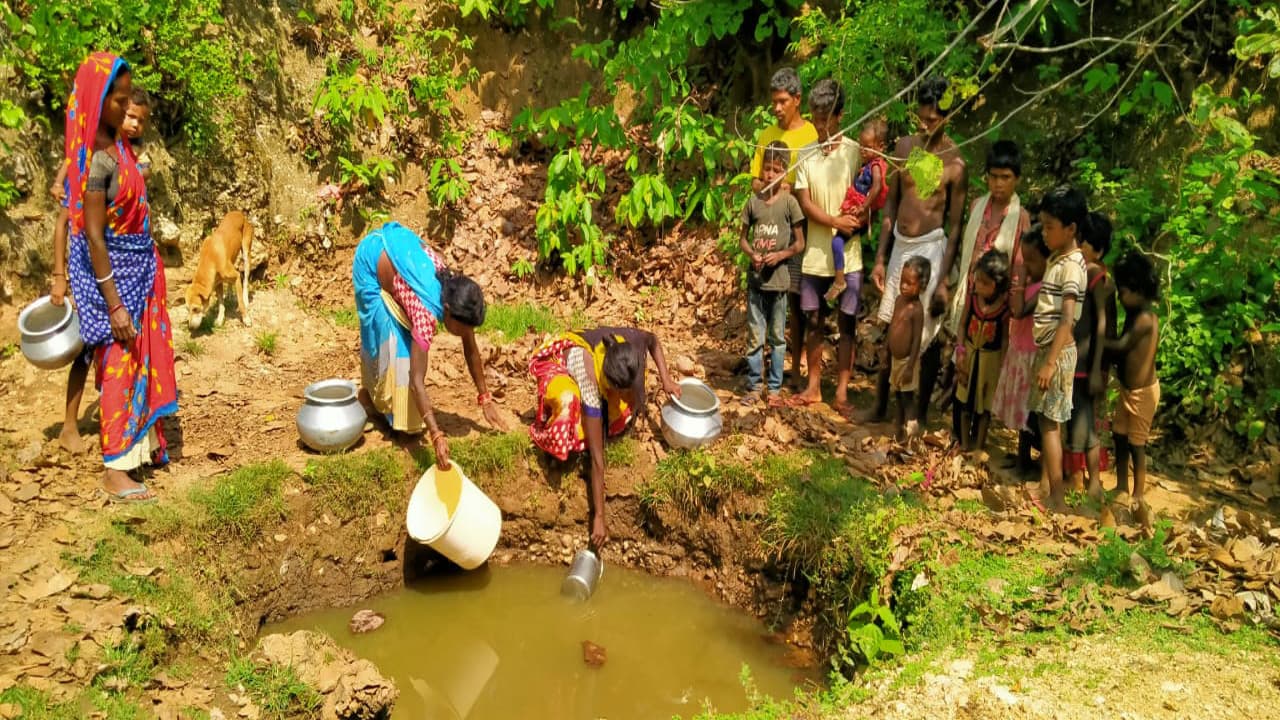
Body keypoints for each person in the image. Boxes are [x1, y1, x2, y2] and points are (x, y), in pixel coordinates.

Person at [63, 52, 178, 502]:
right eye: (121, 99)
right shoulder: (99, 163)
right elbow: (94, 236)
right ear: (101, 100)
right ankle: (114, 468)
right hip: (114, 279)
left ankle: (137, 449)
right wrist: (114, 303)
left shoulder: (121, 151)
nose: (128, 109)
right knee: (116, 367)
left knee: (133, 365)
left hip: (137, 271)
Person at [351, 221, 508, 467]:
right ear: (447, 311)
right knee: (390, 347)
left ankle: (384, 406)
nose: (465, 334)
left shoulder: (454, 295)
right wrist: (436, 434)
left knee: (406, 359)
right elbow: (416, 380)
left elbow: (471, 348)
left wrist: (485, 398)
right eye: (463, 329)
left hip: (397, 251)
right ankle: (371, 399)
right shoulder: (425, 314)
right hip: (369, 263)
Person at [50, 87, 155, 454]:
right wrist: (59, 277)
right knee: (87, 346)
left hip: (113, 269)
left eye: (140, 120)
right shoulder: (94, 161)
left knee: (114, 348)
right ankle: (68, 426)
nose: (134, 123)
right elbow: (65, 223)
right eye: (129, 115)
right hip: (91, 273)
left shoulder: (124, 160)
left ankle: (121, 418)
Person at [866, 76, 969, 425]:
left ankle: (917, 415)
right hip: (900, 245)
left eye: (933, 120)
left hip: (932, 249)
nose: (925, 126)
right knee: (892, 323)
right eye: (922, 118)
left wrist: (942, 280)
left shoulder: (955, 164)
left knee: (925, 336)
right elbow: (890, 205)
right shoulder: (904, 148)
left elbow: (955, 226)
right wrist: (881, 256)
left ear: (947, 116)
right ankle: (882, 406)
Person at [527, 327, 681, 549]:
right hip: (561, 363)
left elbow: (653, 340)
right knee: (572, 416)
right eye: (616, 390)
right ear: (609, 382)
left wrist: (666, 380)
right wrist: (599, 516)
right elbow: (597, 459)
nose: (620, 395)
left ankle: (615, 403)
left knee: (630, 408)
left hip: (603, 370)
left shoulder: (633, 346)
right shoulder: (590, 382)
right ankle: (548, 436)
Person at [790, 78, 862, 413]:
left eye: (826, 118)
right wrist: (836, 221)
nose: (820, 125)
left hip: (849, 254)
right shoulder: (805, 153)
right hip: (815, 256)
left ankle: (843, 391)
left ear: (839, 116)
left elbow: (862, 194)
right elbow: (804, 203)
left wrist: (858, 217)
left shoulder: (853, 151)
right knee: (814, 320)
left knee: (847, 323)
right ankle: (814, 386)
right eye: (816, 117)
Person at [748, 68, 820, 391]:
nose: (776, 108)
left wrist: (790, 190)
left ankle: (796, 367)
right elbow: (754, 179)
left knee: (798, 300)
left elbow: (813, 182)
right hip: (768, 230)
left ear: (797, 100)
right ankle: (768, 369)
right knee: (770, 298)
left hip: (797, 228)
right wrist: (769, 186)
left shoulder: (810, 137)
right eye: (773, 102)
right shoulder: (765, 136)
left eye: (782, 102)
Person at [1029, 187, 1089, 512]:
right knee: (1046, 421)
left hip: (1058, 352)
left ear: (1071, 229)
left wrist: (1050, 363)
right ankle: (1049, 488)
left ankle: (1058, 497)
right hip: (1050, 349)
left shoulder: (1073, 267)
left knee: (1051, 423)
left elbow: (1067, 319)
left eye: (1050, 226)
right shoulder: (1059, 259)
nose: (1045, 232)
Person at [740, 142, 805, 406]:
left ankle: (775, 390)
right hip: (756, 282)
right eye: (766, 169)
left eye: (776, 170)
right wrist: (752, 255)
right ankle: (755, 387)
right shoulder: (753, 203)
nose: (769, 175)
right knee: (755, 337)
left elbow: (799, 244)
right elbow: (743, 240)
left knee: (777, 338)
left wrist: (780, 255)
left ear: (785, 172)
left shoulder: (789, 203)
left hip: (778, 283)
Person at [947, 140, 1030, 337]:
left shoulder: (1021, 217)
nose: (998, 183)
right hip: (971, 290)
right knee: (962, 347)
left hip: (999, 301)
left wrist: (1016, 296)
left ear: (1017, 179)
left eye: (1005, 177)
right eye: (993, 177)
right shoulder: (977, 206)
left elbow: (1019, 263)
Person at [1105, 251, 1161, 526]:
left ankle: (1138, 494)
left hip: (1143, 394)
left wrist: (1098, 342)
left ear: (1138, 290)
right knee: (1119, 436)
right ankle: (1121, 487)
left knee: (1137, 445)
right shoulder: (1134, 313)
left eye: (1123, 292)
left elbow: (1121, 346)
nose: (1119, 297)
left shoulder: (1144, 320)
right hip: (1128, 392)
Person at [1068, 212, 1116, 500]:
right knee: (1084, 418)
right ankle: (1091, 481)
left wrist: (1098, 366)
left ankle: (1082, 481)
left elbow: (1101, 322)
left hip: (1084, 362)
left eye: (1081, 241)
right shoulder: (1096, 274)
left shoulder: (1093, 275)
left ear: (1093, 246)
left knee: (1079, 419)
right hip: (1085, 361)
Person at [993, 226, 1048, 475]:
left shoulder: (1045, 288)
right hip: (1020, 353)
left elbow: (1019, 310)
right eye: (1024, 261)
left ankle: (1027, 462)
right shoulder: (1029, 284)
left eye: (1032, 261)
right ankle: (1021, 457)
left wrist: (1022, 277)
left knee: (1029, 413)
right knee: (1021, 412)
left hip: (1032, 356)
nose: (1028, 266)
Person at [824, 117, 889, 304]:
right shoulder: (867, 164)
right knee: (837, 241)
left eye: (867, 147)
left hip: (860, 213)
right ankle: (839, 280)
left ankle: (839, 281)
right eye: (861, 146)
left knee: (837, 242)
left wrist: (863, 207)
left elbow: (876, 188)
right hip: (857, 210)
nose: (862, 150)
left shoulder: (876, 165)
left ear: (880, 147)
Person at [952, 249, 1011, 451]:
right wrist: (959, 349)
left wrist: (1003, 366)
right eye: (977, 281)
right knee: (964, 402)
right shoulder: (972, 299)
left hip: (990, 363)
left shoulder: (1003, 309)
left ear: (996, 285)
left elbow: (1004, 339)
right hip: (968, 356)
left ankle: (978, 446)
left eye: (984, 283)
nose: (978, 286)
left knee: (984, 407)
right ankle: (964, 444)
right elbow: (962, 325)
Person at [886, 257, 930, 440]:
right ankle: (898, 430)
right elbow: (892, 326)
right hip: (896, 359)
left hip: (907, 362)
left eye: (909, 283)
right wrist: (885, 350)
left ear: (922, 286)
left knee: (907, 398)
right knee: (898, 395)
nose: (904, 286)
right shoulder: (898, 300)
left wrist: (911, 367)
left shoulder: (917, 309)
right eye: (902, 281)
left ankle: (911, 429)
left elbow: (917, 339)